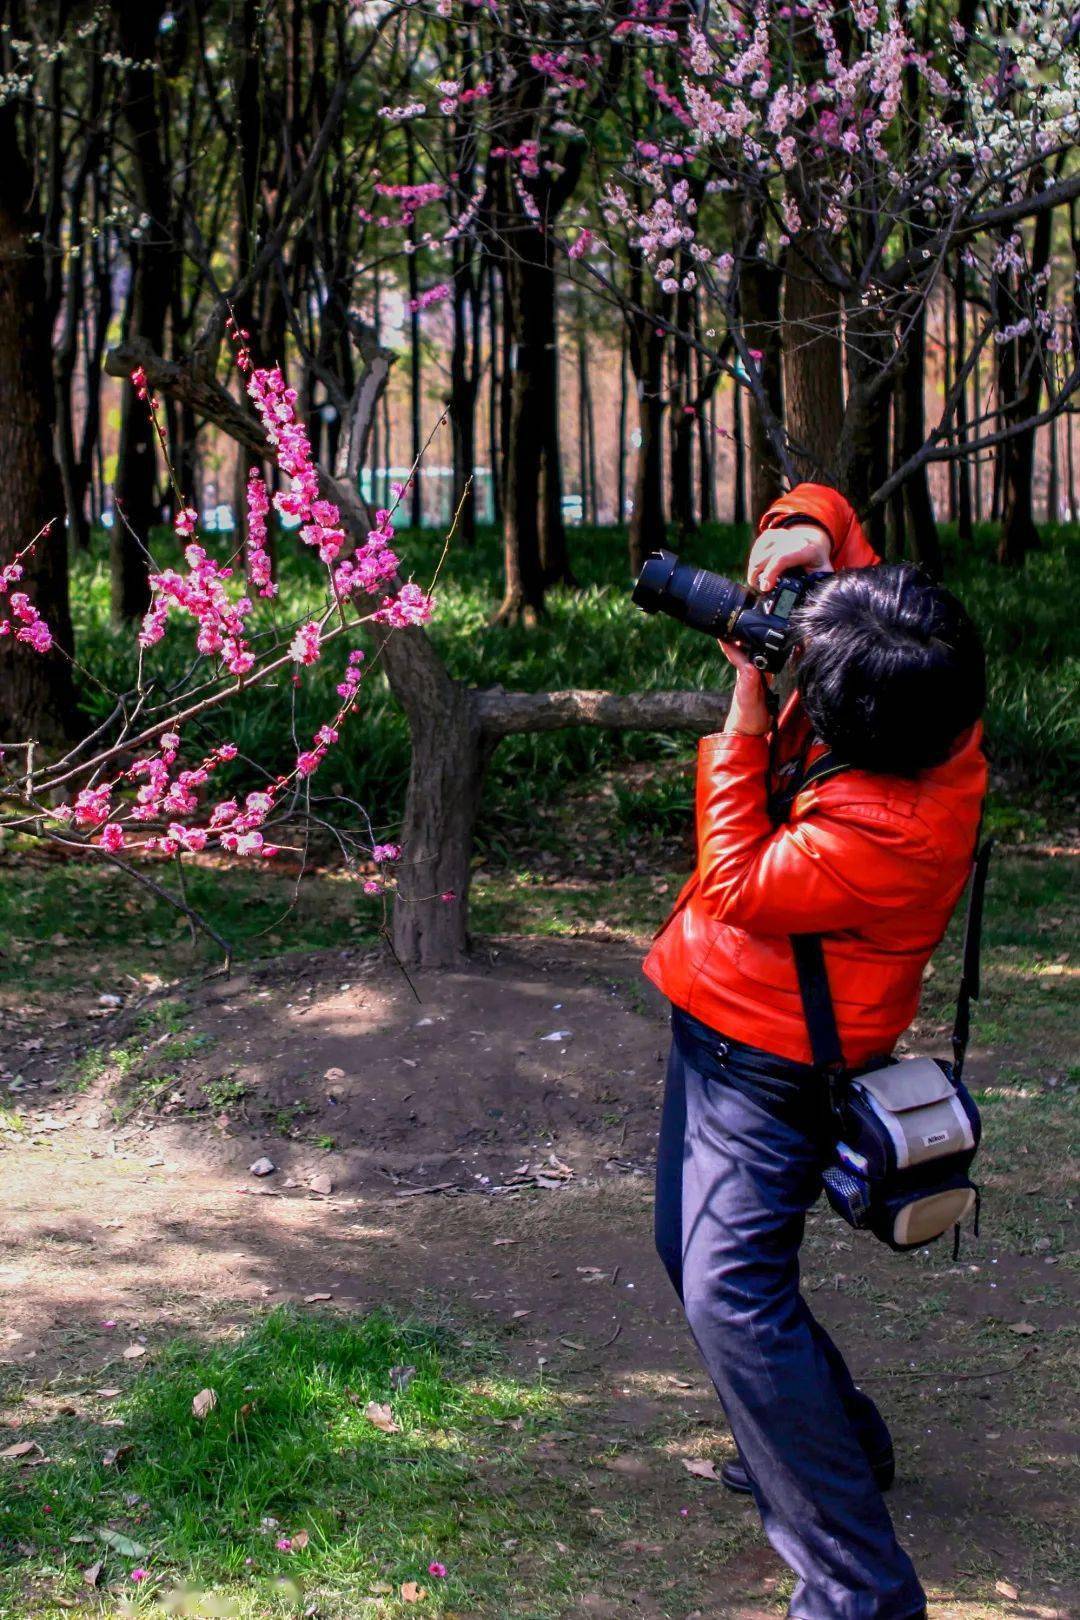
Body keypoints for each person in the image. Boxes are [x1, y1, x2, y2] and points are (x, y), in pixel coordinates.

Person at [645, 483, 987, 1620]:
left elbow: (735, 880)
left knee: (732, 1299)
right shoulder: (920, 671)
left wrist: (748, 701)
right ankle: (836, 1438)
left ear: (853, 724)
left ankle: (860, 1589)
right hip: (718, 1019)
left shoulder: (888, 831)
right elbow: (852, 549)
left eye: (807, 671)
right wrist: (805, 529)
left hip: (773, 1058)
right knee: (692, 1261)